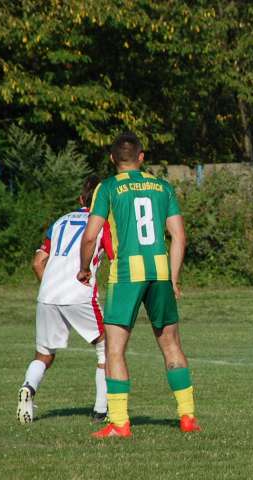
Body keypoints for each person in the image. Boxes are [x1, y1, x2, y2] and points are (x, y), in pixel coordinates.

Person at [78, 132, 200, 438]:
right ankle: (187, 417)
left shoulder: (107, 187)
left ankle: (119, 422)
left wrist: (84, 269)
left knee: (115, 350)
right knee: (171, 345)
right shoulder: (162, 186)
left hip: (125, 275)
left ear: (112, 159)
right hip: (159, 271)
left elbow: (91, 235)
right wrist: (173, 277)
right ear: (142, 157)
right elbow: (179, 237)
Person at [17, 176, 113, 424]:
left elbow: (38, 262)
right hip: (79, 293)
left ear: (81, 200)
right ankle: (102, 410)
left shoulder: (60, 222)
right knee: (107, 348)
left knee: (44, 354)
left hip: (48, 294)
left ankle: (28, 387)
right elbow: (115, 258)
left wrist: (54, 289)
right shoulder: (102, 224)